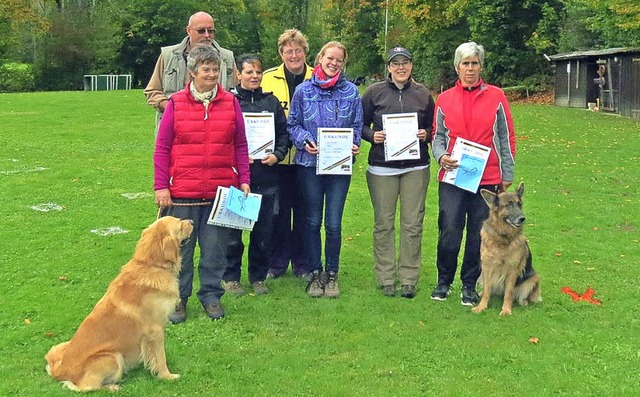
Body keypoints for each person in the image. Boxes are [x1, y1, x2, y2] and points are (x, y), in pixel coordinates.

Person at [153, 45, 250, 323]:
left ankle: (210, 296)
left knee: (215, 250)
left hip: (221, 191)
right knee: (180, 251)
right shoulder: (176, 103)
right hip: (183, 192)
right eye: (206, 69)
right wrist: (162, 186)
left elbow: (241, 145)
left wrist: (244, 178)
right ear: (193, 72)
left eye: (215, 69)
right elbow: (162, 147)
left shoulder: (231, 103)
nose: (211, 74)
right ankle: (179, 300)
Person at [430, 41, 516, 306]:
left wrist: (507, 171)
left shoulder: (496, 96)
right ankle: (443, 281)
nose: (470, 68)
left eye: (474, 63)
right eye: (465, 63)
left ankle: (469, 285)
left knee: (479, 235)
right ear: (457, 67)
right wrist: (441, 156)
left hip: (487, 179)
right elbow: (438, 135)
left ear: (481, 66)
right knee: (450, 230)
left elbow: (505, 135)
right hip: (454, 177)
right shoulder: (444, 99)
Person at [287, 41, 363, 298]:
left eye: (339, 60)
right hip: (309, 165)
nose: (334, 63)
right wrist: (304, 141)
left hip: (338, 167)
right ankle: (315, 272)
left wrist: (353, 144)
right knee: (310, 221)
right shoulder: (303, 91)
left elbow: (357, 125)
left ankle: (332, 273)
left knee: (333, 223)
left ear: (343, 63)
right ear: (320, 58)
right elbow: (293, 124)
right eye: (330, 58)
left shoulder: (352, 92)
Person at [361, 47, 435, 299]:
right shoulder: (374, 92)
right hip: (382, 168)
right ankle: (385, 277)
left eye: (405, 63)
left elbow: (434, 126)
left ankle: (408, 278)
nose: (400, 67)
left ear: (411, 66)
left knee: (412, 224)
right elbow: (359, 124)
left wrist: (426, 134)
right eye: (395, 63)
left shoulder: (423, 94)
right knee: (383, 224)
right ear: (389, 67)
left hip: (416, 167)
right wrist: (373, 135)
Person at [222, 54, 289, 296]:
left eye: (258, 72)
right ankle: (231, 278)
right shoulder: (229, 101)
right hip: (239, 177)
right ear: (238, 74)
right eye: (249, 72)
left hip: (267, 175)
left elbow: (284, 134)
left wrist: (278, 155)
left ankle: (258, 277)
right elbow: (222, 137)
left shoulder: (271, 103)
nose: (254, 76)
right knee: (233, 233)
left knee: (263, 232)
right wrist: (236, 157)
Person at [261, 29, 313, 280]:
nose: (294, 55)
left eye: (298, 50)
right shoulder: (267, 78)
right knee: (279, 213)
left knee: (304, 211)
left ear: (305, 52)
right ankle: (277, 262)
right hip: (276, 158)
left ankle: (303, 263)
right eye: (288, 51)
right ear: (281, 53)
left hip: (307, 158)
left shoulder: (317, 76)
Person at [144, 11, 237, 129]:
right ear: (188, 30)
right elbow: (152, 91)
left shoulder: (226, 57)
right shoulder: (168, 56)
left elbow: (236, 93)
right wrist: (173, 109)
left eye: (211, 31)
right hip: (175, 127)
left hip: (216, 128)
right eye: (201, 31)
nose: (207, 35)